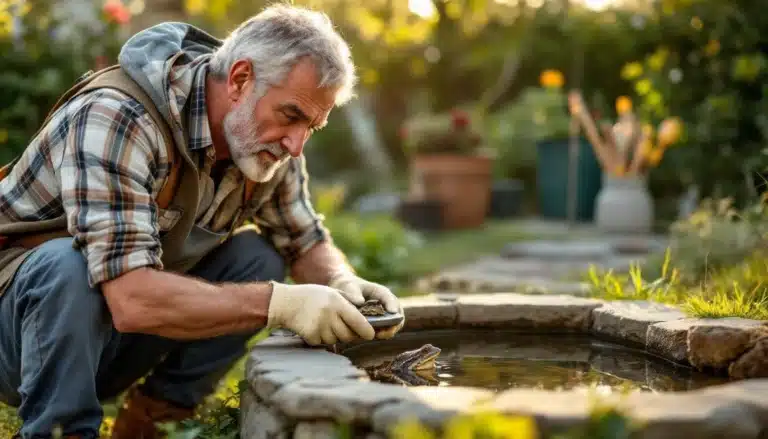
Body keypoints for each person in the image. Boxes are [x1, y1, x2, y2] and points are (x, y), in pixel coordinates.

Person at [0, 5, 405, 439]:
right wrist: (280, 304)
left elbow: (302, 240)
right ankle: (62, 431)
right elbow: (132, 297)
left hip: (111, 337)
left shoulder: (266, 146)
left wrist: (341, 281)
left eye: (313, 126)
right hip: (18, 338)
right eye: (291, 116)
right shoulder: (118, 117)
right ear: (240, 79)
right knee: (70, 265)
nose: (296, 145)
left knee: (258, 258)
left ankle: (150, 422)